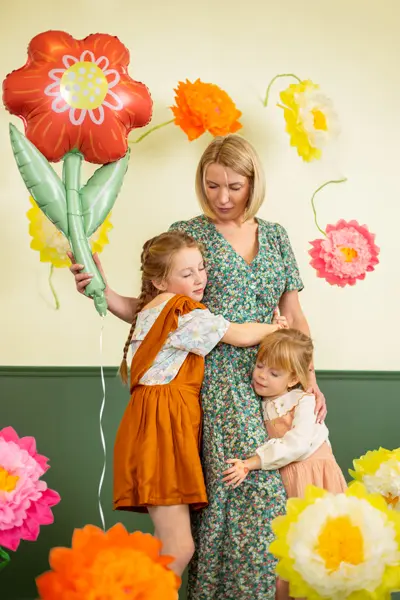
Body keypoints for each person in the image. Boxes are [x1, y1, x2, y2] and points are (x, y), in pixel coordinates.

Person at [68, 134, 327, 600]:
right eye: (212, 185)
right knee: (239, 498)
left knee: (285, 494)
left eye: (234, 186)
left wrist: (308, 381)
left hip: (274, 383)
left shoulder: (276, 236)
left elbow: (295, 315)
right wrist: (100, 291)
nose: (222, 197)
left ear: (253, 183)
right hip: (213, 387)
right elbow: (154, 313)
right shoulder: (189, 234)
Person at [114, 230, 286, 578]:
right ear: (160, 281)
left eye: (202, 268)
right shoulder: (182, 310)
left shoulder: (151, 309)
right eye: (187, 273)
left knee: (168, 546)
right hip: (163, 428)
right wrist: (274, 328)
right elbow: (239, 335)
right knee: (179, 548)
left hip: (151, 426)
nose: (199, 279)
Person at [222, 329, 346, 600]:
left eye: (274, 373)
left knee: (315, 554)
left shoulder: (304, 400)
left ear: (293, 380)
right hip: (288, 480)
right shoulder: (261, 401)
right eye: (260, 365)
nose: (261, 375)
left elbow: (297, 444)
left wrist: (252, 462)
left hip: (313, 480)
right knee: (287, 558)